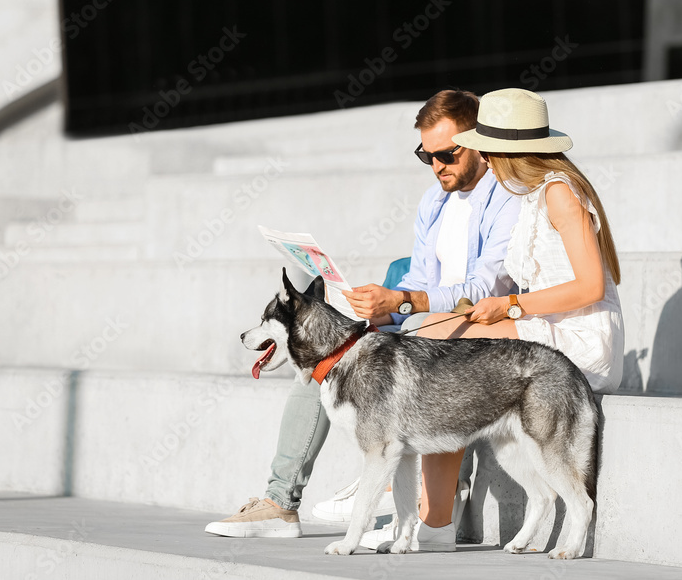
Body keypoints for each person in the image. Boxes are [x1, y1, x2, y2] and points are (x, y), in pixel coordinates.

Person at [204, 89, 520, 545]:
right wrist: (369, 306)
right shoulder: (434, 202)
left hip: (475, 330)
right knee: (319, 352)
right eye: (425, 156)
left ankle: (387, 476)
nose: (437, 166)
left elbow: (485, 289)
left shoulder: (506, 198)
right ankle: (281, 503)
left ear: (479, 142)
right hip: (422, 323)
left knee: (363, 354)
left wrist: (404, 302)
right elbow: (419, 275)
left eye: (448, 153)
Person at [400, 87, 625, 549]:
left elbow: (591, 288)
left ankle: (425, 499)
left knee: (440, 336)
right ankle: (425, 497)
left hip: (580, 335)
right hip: (546, 326)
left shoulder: (560, 194)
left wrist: (511, 307)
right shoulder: (526, 195)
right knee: (433, 332)